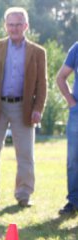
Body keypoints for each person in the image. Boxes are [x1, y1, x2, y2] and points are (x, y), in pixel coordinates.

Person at [0, 7, 47, 208]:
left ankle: (24, 193)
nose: (14, 28)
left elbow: (42, 85)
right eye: (10, 24)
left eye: (18, 24)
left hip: (23, 108)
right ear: (5, 26)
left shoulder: (38, 52)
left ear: (26, 26)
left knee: (25, 153)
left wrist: (38, 109)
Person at [56, 42, 78, 216]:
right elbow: (60, 77)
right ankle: (73, 201)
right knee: (73, 160)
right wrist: (72, 103)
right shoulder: (76, 48)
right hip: (77, 114)